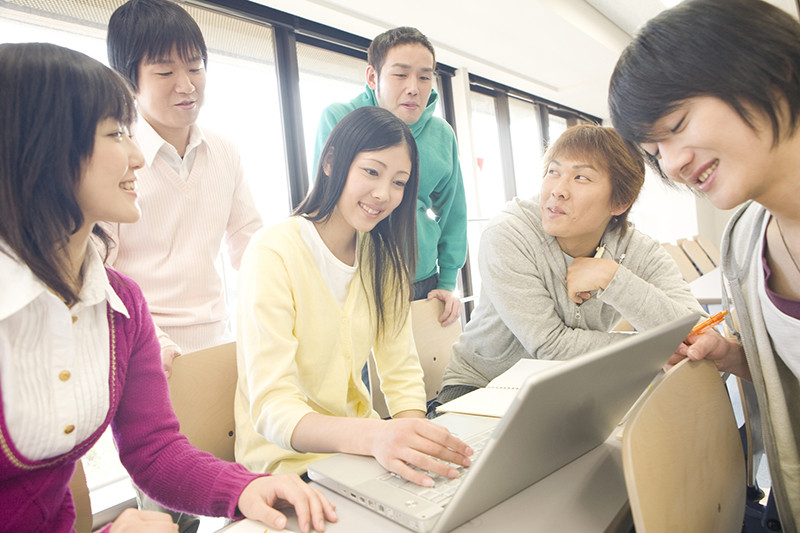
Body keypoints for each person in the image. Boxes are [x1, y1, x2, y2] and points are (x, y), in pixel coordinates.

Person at [0, 42, 336, 533]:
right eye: (117, 133)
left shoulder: (123, 305)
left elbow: (154, 450)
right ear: (41, 146)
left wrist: (243, 487)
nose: (137, 156)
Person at [607, 0, 800, 528]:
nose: (671, 163)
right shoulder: (743, 241)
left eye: (676, 124)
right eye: (655, 150)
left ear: (772, 70)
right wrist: (737, 356)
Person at [235, 106, 472, 488]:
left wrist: (418, 445)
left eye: (399, 182)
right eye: (372, 171)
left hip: (360, 458)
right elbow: (271, 409)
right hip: (287, 472)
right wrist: (377, 437)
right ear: (332, 161)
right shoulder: (274, 251)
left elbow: (401, 372)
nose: (384, 194)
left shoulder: (383, 258)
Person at [434, 125, 702, 410]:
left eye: (581, 177)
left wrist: (611, 277)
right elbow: (549, 345)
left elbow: (695, 330)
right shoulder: (509, 233)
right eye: (553, 172)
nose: (558, 191)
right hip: (482, 386)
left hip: (573, 384)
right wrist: (654, 350)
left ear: (620, 202)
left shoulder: (637, 249)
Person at [106, 0, 263, 377]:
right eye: (164, 71)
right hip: (143, 347)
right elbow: (97, 269)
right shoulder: (112, 157)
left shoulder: (224, 150)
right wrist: (151, 338)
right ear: (129, 80)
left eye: (195, 66)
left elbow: (250, 243)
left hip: (219, 339)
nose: (187, 84)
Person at [313, 26, 466, 327]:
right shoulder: (340, 120)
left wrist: (447, 281)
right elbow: (326, 201)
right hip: (357, 280)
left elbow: (454, 213)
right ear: (373, 77)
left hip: (422, 282)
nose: (414, 87)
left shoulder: (441, 134)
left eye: (424, 77)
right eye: (401, 74)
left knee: (424, 372)